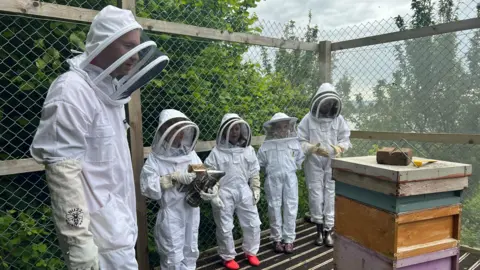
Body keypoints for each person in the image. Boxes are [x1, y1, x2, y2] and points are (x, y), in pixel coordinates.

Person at [29, 5, 169, 269]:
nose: (135, 57)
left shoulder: (109, 93)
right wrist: (78, 242)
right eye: (127, 46)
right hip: (97, 242)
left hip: (119, 230)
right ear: (103, 43)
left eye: (137, 48)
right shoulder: (71, 91)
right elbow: (63, 173)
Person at [140, 109, 223, 270]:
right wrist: (172, 178)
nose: (179, 134)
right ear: (164, 130)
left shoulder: (190, 155)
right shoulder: (155, 160)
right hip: (171, 213)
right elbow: (148, 189)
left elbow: (203, 175)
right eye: (173, 127)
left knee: (191, 250)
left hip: (192, 209)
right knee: (172, 256)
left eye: (181, 129)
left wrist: (211, 191)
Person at [204, 113, 262, 270]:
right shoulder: (217, 152)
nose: (234, 132)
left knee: (253, 223)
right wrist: (214, 193)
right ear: (224, 132)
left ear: (242, 129)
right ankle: (227, 256)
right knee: (225, 226)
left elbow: (254, 172)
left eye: (237, 128)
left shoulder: (248, 150)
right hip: (225, 192)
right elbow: (210, 175)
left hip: (244, 190)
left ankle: (251, 251)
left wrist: (255, 188)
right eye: (231, 129)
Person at [297, 83, 352, 247]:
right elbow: (299, 141)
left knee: (330, 193)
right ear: (319, 101)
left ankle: (329, 231)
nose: (327, 106)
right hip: (313, 161)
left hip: (332, 161)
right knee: (315, 194)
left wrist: (340, 147)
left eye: (330, 103)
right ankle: (319, 231)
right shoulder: (308, 119)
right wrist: (312, 149)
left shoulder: (338, 119)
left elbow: (345, 139)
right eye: (325, 102)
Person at [257, 112, 304, 254]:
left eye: (285, 127)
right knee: (274, 206)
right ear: (273, 129)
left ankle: (289, 239)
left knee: (291, 206)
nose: (283, 130)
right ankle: (276, 239)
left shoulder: (294, 143)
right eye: (279, 127)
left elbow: (299, 159)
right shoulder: (266, 145)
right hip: (273, 179)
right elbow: (261, 163)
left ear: (290, 127)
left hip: (290, 178)